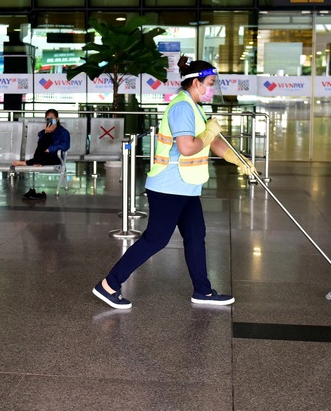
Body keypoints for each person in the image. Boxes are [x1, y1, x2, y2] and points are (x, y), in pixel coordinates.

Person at [92, 57, 256, 309]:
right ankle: (109, 285)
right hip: (168, 187)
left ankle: (203, 291)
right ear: (195, 82)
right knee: (156, 240)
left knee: (195, 235)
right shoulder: (182, 107)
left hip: (187, 186)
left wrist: (238, 159)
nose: (212, 88)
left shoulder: (195, 106)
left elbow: (211, 141)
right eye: (210, 83)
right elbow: (187, 147)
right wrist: (211, 132)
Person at [13, 108, 70, 199]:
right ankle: (34, 161)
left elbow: (65, 145)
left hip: (55, 157)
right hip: (42, 156)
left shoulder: (63, 132)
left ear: (57, 119)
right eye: (48, 118)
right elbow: (40, 147)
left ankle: (27, 162)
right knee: (40, 153)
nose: (50, 119)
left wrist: (50, 149)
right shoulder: (43, 132)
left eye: (52, 117)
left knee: (41, 156)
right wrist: (47, 133)